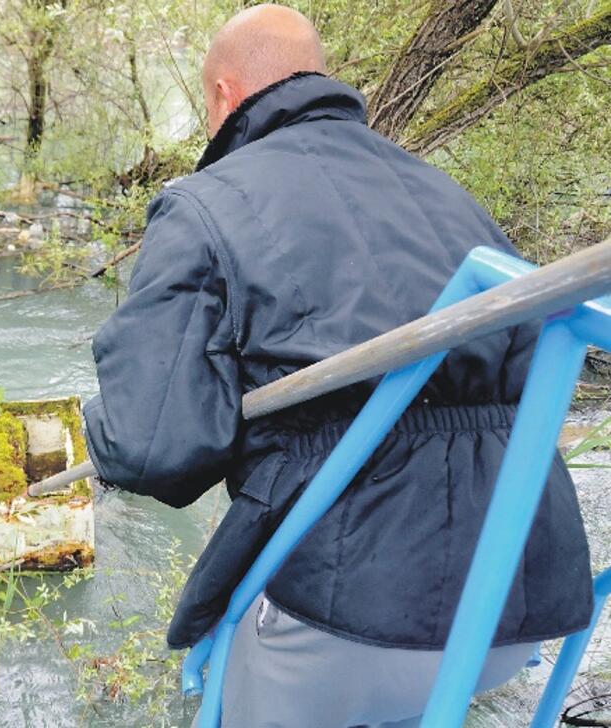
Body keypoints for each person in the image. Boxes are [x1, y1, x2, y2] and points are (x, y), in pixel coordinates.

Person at [81, 5, 593, 727]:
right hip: (524, 598)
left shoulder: (203, 206)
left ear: (225, 95)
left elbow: (157, 448)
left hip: (349, 613)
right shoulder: (446, 193)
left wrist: (96, 426)